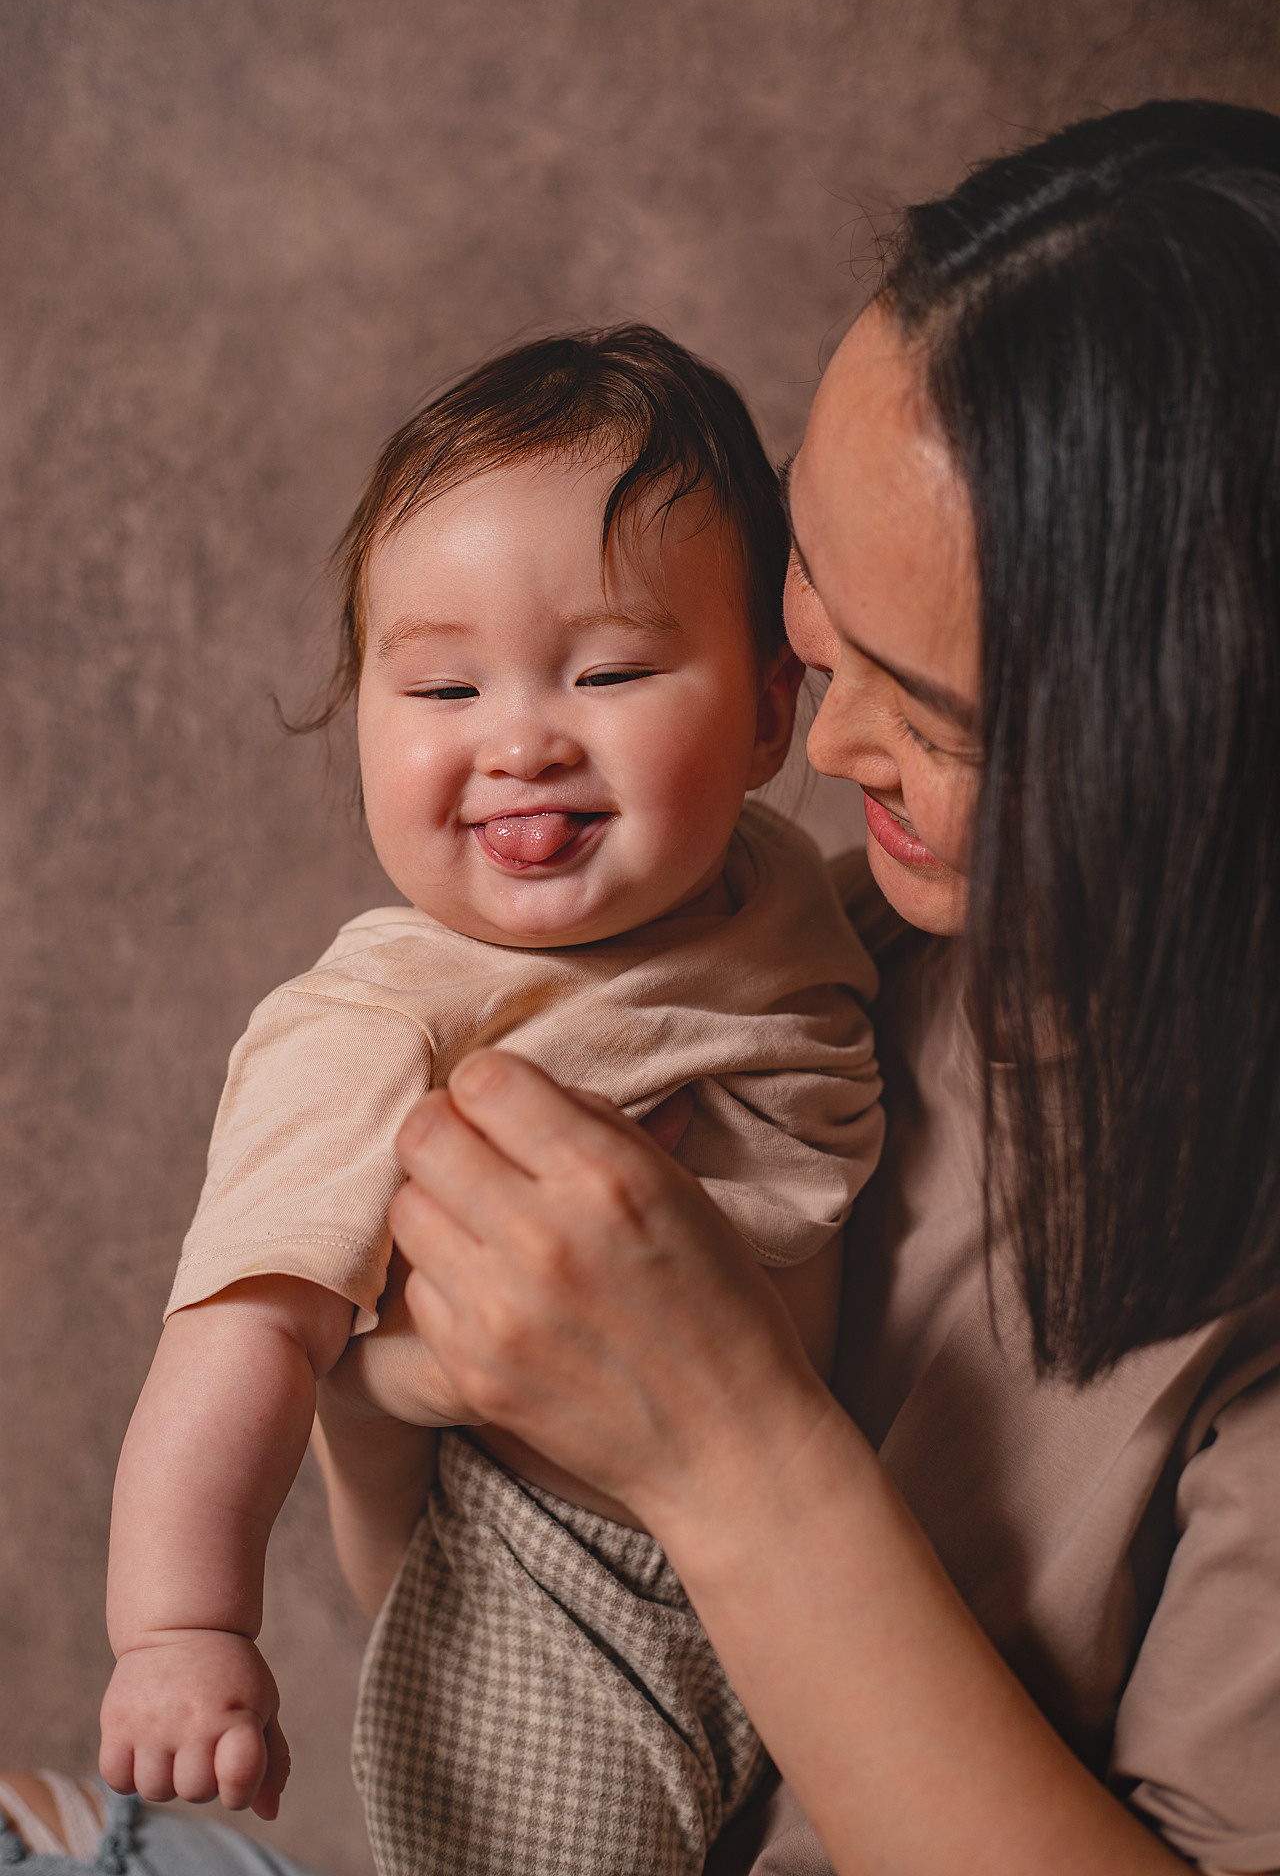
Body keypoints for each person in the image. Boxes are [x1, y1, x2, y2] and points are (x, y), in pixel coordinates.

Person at [314, 99, 1280, 1876]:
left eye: (939, 713)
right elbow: (505, 1670)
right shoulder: (815, 971)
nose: (823, 749)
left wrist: (728, 1446)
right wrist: (389, 1389)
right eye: (813, 620)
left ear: (1205, 745)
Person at [97, 327, 886, 1876]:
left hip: (818, 1526)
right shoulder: (377, 1022)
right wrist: (182, 1629)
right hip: (553, 1593)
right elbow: (243, 1330)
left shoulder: (780, 884)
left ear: (769, 714)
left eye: (611, 672)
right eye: (444, 686)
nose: (521, 740)